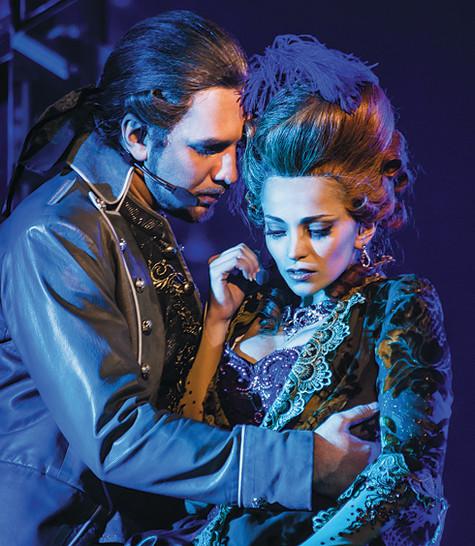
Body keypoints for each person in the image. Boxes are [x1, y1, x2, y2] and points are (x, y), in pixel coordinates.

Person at [0, 13, 377, 546]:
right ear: (136, 136)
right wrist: (302, 463)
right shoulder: (55, 235)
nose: (229, 172)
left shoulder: (136, 218)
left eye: (235, 147)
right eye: (208, 148)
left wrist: (217, 324)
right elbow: (116, 436)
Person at [176, 36, 453, 545]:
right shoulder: (245, 309)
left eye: (318, 229)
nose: (294, 252)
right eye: (276, 229)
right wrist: (214, 323)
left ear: (364, 226)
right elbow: (185, 473)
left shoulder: (396, 308)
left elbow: (408, 484)